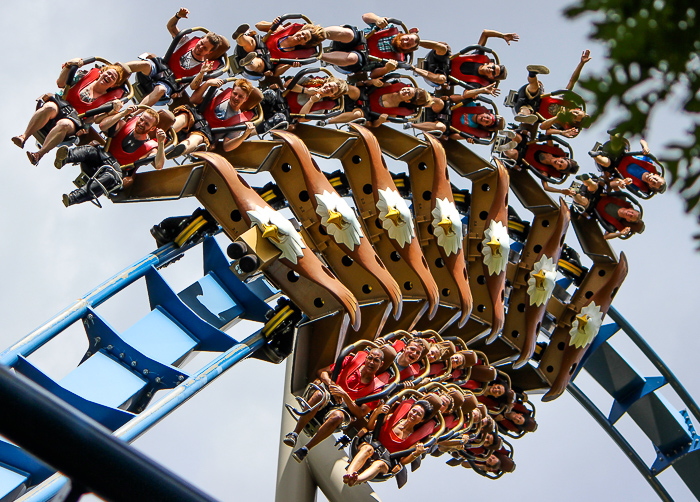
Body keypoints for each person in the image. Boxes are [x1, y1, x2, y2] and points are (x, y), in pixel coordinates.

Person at [284, 348, 389, 463]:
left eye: (376, 360)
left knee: (338, 416)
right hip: (328, 393)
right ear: (366, 357)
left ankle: (305, 449)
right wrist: (331, 385)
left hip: (344, 408)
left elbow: (360, 413)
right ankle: (294, 433)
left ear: (381, 364)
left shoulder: (377, 389)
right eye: (370, 358)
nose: (372, 362)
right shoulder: (351, 361)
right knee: (319, 395)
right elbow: (322, 372)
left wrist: (344, 396)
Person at [14, 59, 127, 165]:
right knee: (49, 107)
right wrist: (69, 65)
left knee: (65, 124)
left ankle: (39, 154)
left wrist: (113, 111)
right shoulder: (84, 76)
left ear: (114, 85)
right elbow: (61, 83)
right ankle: (23, 137)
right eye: (108, 73)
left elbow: (97, 120)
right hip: (60, 106)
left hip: (74, 120)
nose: (109, 76)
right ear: (102, 72)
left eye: (113, 78)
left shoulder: (107, 101)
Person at [55, 106, 166, 206]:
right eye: (141, 119)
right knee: (91, 150)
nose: (141, 124)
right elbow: (103, 126)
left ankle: (73, 197)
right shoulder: (125, 125)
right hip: (101, 158)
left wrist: (161, 143)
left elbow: (158, 165)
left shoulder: (150, 147)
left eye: (146, 124)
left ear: (152, 129)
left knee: (110, 176)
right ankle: (64, 157)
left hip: (115, 171)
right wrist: (122, 114)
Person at [126, 7, 226, 106]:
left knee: (160, 89)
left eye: (205, 48)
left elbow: (193, 87)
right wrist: (178, 16)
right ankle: (117, 70)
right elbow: (171, 27)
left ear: (209, 52)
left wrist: (202, 73)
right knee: (145, 64)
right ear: (199, 39)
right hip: (159, 69)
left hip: (169, 84)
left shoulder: (204, 67)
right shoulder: (185, 41)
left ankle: (135, 111)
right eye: (201, 43)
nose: (200, 47)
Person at [343, 399, 433, 486]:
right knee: (368, 449)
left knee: (379, 464)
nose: (414, 414)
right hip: (371, 445)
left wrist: (416, 453)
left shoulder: (414, 439)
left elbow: (403, 461)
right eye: (413, 411)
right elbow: (371, 426)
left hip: (386, 460)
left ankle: (357, 479)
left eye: (418, 414)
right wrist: (376, 413)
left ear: (422, 420)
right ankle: (349, 474)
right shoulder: (392, 418)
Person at [166, 74, 259, 158]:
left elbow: (227, 147)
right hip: (195, 118)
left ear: (245, 99)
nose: (236, 98)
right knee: (184, 117)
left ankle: (181, 149)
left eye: (241, 97)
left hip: (205, 133)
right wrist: (207, 83)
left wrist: (244, 135)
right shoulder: (219, 94)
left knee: (197, 138)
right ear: (231, 91)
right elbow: (194, 100)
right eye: (235, 94)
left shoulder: (240, 121)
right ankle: (165, 131)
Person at [417, 29, 516, 88]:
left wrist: (480, 91)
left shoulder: (477, 84)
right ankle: (415, 42)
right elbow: (485, 33)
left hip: (441, 76)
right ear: (491, 63)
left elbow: (466, 94)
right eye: (493, 67)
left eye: (493, 73)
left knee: (442, 79)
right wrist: (502, 36)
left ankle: (412, 68)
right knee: (443, 46)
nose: (491, 69)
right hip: (443, 59)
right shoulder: (479, 56)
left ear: (491, 78)